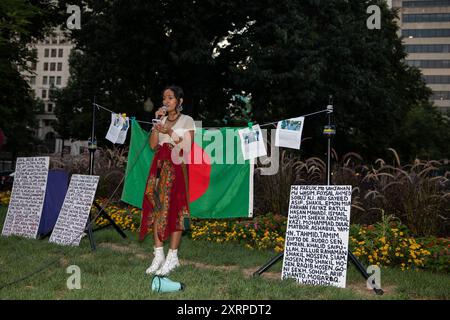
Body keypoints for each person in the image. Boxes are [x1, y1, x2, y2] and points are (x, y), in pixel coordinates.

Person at [140, 85, 195, 276]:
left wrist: (169, 132)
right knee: (156, 207)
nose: (166, 101)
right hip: (159, 166)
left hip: (177, 166)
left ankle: (173, 257)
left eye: (170, 98)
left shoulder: (187, 120)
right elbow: (153, 145)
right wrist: (156, 126)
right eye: (164, 98)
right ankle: (158, 255)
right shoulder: (161, 119)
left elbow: (187, 146)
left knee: (176, 209)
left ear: (179, 101)